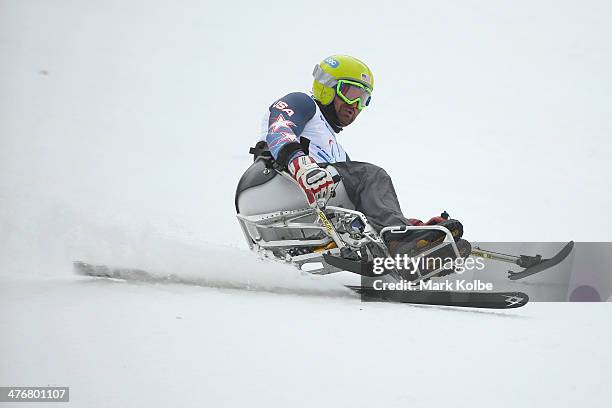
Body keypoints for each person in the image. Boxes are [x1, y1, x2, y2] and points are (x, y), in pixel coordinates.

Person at [255, 55, 463, 256]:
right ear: (326, 87)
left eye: (363, 99)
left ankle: (412, 241)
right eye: (350, 93)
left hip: (308, 204)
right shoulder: (302, 103)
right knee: (371, 175)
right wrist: (301, 165)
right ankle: (402, 240)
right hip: (273, 183)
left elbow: (372, 207)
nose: (355, 105)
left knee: (365, 225)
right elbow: (280, 129)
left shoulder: (337, 152)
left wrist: (416, 227)